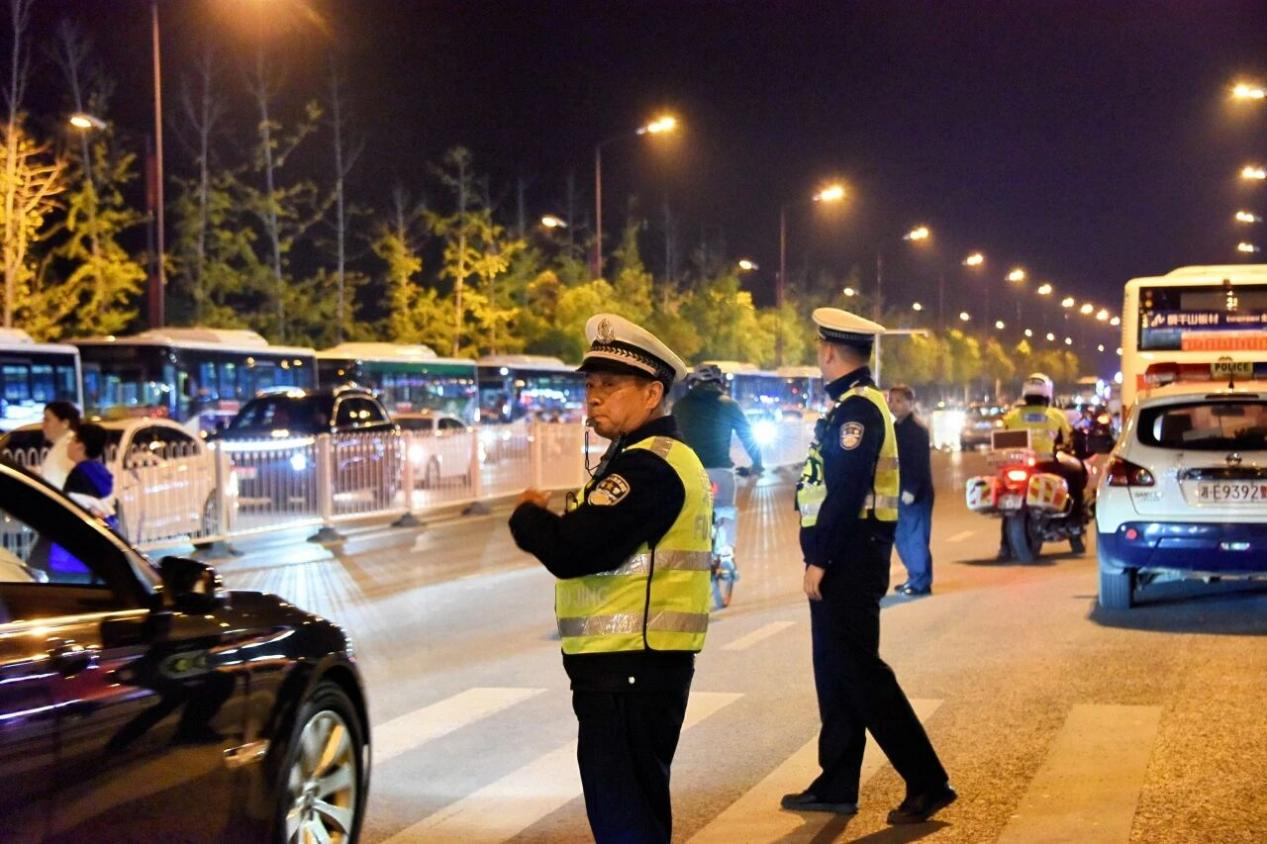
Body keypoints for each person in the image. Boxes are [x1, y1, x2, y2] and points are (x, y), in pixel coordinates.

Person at [509, 313, 712, 843]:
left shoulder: (649, 467)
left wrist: (528, 516)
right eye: (590, 385)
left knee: (625, 820)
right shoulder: (641, 459)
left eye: (610, 385)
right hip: (630, 669)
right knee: (632, 811)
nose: (594, 397)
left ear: (651, 393)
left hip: (631, 670)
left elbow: (574, 549)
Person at [783, 307, 955, 825]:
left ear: (829, 351)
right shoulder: (851, 405)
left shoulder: (858, 410)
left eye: (820, 349)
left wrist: (820, 559)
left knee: (862, 673)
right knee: (836, 672)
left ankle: (928, 781)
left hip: (850, 556)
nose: (819, 356)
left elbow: (846, 491)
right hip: (848, 552)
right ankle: (837, 782)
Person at [672, 363, 764, 566]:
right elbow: (748, 437)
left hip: (687, 474)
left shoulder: (679, 406)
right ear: (719, 383)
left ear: (693, 383)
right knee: (725, 510)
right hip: (720, 472)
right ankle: (725, 556)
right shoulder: (729, 405)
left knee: (684, 514)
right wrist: (757, 465)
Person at [998, 372, 1086, 559]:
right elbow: (1068, 438)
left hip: (1018, 464)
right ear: (1047, 394)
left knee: (1009, 502)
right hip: (1047, 464)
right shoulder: (1056, 415)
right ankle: (1074, 523)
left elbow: (1002, 437)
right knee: (1076, 473)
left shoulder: (1011, 416)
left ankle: (1005, 547)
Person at [887, 384, 934, 596]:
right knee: (901, 537)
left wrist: (911, 489)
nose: (893, 405)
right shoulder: (895, 428)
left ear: (910, 403)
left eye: (898, 401)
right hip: (897, 492)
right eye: (891, 400)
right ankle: (914, 577)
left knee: (915, 538)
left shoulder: (916, 430)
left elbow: (919, 463)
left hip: (915, 495)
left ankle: (920, 582)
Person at [39, 400, 81, 489]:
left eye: (47, 420)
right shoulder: (62, 445)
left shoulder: (69, 448)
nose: (43, 425)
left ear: (65, 423)